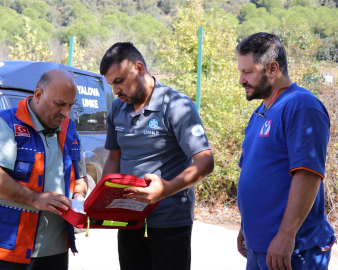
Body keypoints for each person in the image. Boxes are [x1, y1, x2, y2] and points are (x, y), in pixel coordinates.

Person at [100, 42, 214, 270]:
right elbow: (114, 157)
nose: (116, 90)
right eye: (112, 84)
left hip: (169, 223)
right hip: (128, 219)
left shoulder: (177, 106)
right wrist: (101, 201)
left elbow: (205, 161)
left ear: (139, 69)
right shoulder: (116, 108)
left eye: (119, 81)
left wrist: (165, 189)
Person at [0, 69, 88, 270]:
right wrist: (35, 199)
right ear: (38, 95)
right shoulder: (4, 125)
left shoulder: (71, 132)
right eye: (59, 104)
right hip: (2, 248)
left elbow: (80, 177)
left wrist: (79, 196)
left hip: (54, 251)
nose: (65, 112)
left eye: (70, 106)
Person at [236, 32, 336, 270]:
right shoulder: (262, 110)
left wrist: (286, 235)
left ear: (272, 68)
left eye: (247, 72)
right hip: (259, 245)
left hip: (291, 249)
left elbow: (308, 174)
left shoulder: (302, 106)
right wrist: (245, 227)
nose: (241, 80)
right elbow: (254, 173)